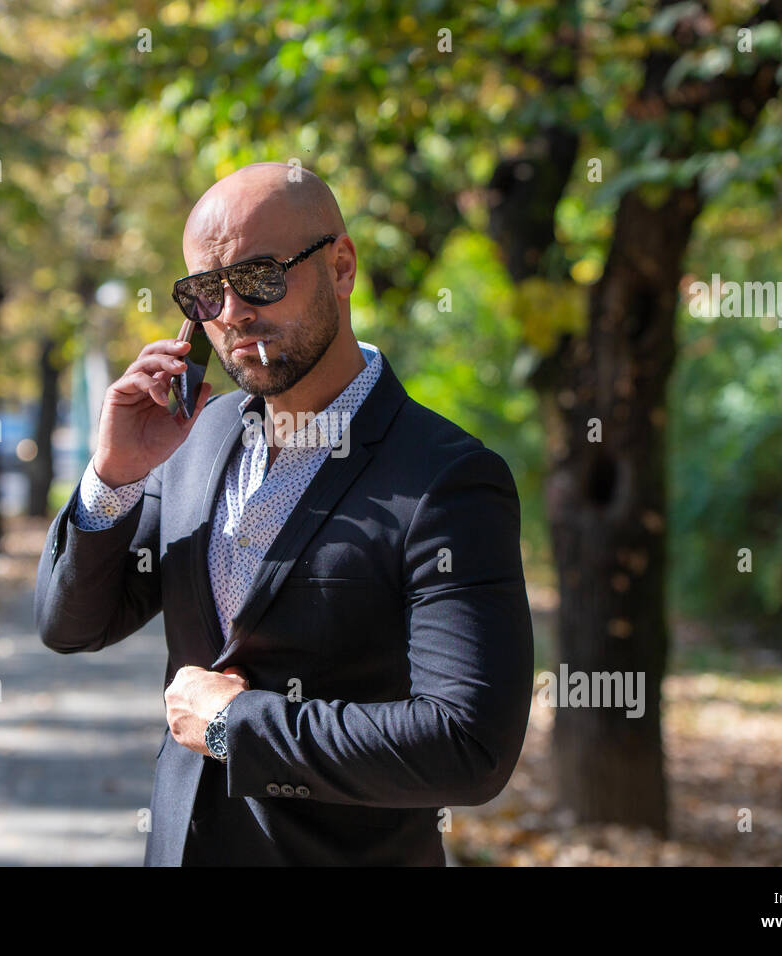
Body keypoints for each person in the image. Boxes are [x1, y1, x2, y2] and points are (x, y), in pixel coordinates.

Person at [36, 162, 535, 866]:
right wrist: (112, 476)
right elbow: (69, 626)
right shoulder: (192, 439)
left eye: (260, 276)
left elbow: (468, 746)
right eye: (206, 292)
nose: (232, 312)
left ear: (340, 266)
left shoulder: (447, 479)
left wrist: (234, 726)